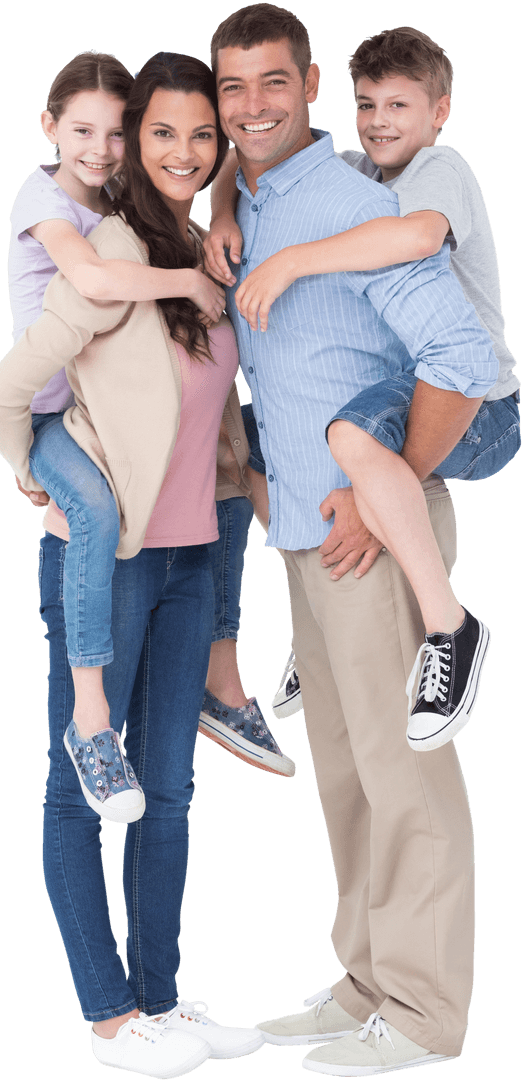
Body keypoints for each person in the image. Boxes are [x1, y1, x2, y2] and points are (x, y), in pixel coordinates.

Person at [207, 4, 502, 1073]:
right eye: (231, 87)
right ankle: (364, 983)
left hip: (368, 536)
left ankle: (423, 1018)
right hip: (301, 535)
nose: (250, 106)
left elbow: (462, 359)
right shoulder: (250, 199)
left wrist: (392, 483)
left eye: (270, 83)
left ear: (311, 83)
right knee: (344, 776)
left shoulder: (347, 203)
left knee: (403, 777)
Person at [0, 50, 266, 1077]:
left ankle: (159, 1003)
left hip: (190, 557)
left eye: (203, 134)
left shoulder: (199, 243)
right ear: (128, 145)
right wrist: (30, 472)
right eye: (162, 134)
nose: (183, 152)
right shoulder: (98, 245)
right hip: (107, 560)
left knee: (171, 794)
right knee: (76, 793)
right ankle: (108, 1022)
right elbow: (3, 391)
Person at [205, 24, 520, 749]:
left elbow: (411, 240)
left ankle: (453, 628)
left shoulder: (442, 169)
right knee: (249, 444)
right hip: (415, 385)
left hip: (482, 402)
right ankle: (310, 636)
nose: (380, 122)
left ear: (440, 111)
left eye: (400, 107)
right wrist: (222, 210)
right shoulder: (360, 170)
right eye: (369, 105)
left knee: (345, 435)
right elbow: (242, 155)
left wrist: (289, 264)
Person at [1, 49, 294, 782]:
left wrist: (220, 212)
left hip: (129, 464)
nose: (97, 152)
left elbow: (212, 164)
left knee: (250, 452)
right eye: (84, 134)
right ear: (51, 128)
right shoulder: (61, 216)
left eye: (111, 135)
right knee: (96, 512)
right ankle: (92, 718)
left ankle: (237, 668)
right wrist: (23, 468)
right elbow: (97, 281)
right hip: (51, 426)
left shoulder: (130, 209)